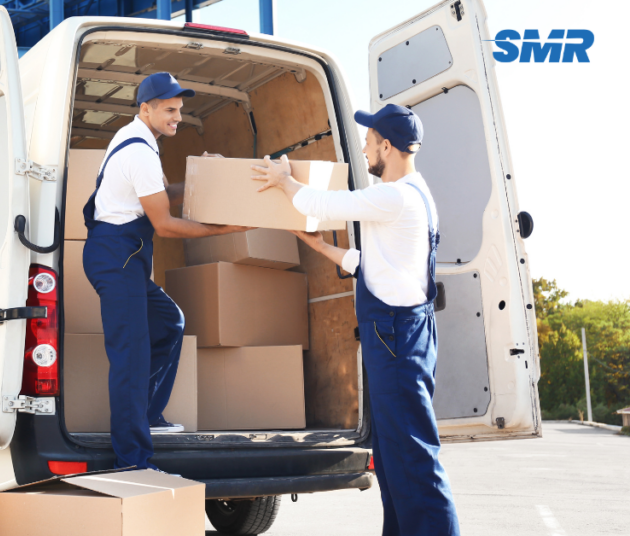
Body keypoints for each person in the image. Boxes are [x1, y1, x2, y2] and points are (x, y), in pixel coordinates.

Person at [251, 104, 460, 535]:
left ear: (387, 145)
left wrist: (284, 180)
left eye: (368, 142)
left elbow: (322, 203)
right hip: (405, 336)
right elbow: (379, 262)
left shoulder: (394, 195)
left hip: (397, 341)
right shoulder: (414, 193)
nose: (363, 149)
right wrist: (318, 248)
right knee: (390, 458)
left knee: (414, 460)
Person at [82, 72, 251, 470]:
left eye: (180, 109)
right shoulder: (139, 150)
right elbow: (166, 224)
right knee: (131, 357)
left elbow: (158, 195)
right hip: (117, 255)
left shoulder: (140, 140)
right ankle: (133, 459)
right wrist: (228, 228)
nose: (178, 117)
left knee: (168, 322)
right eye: (170, 110)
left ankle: (147, 413)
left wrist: (200, 179)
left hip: (126, 255)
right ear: (146, 108)